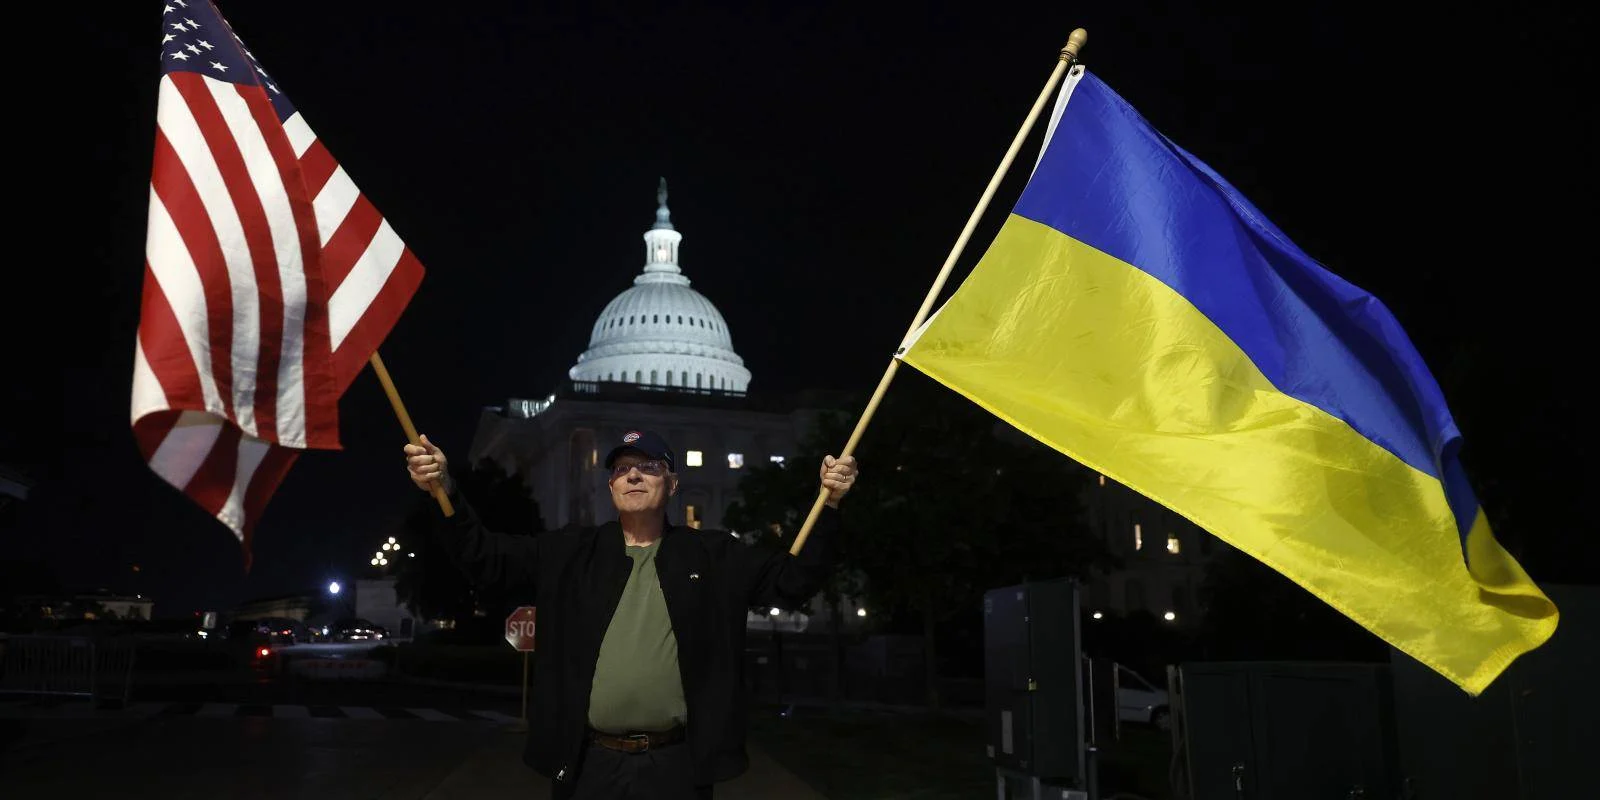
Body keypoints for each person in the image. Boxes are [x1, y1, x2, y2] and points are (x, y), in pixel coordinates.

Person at [404, 429, 857, 799]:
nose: (634, 476)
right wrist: (444, 490)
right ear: (611, 485)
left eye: (649, 467)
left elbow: (794, 579)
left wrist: (831, 505)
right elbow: (486, 559)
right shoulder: (570, 552)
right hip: (587, 764)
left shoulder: (714, 555)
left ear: (673, 484)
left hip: (676, 765)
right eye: (622, 469)